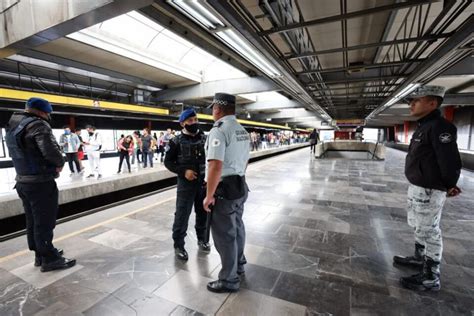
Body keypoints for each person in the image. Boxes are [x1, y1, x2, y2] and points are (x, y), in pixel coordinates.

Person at [393, 85, 462, 291]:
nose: (411, 104)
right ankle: (419, 257)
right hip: (418, 186)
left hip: (430, 189)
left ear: (433, 103)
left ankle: (431, 275)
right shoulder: (424, 126)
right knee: (417, 224)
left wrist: (450, 184)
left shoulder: (441, 127)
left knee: (429, 229)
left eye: (417, 100)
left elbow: (449, 160)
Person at [5, 97, 76, 272]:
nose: (48, 116)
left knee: (32, 220)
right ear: (41, 111)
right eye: (47, 113)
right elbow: (51, 151)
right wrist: (60, 163)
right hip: (40, 183)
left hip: (23, 182)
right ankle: (49, 259)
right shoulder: (38, 125)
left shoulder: (14, 124)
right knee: (44, 221)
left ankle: (40, 253)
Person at [203, 92, 250, 293]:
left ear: (217, 109)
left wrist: (209, 195)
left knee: (225, 235)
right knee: (238, 227)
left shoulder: (219, 131)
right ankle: (239, 264)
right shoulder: (242, 130)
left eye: (213, 108)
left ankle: (229, 279)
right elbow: (245, 160)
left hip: (224, 191)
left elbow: (215, 165)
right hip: (240, 186)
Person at [164, 108, 209, 260]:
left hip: (203, 183)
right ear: (182, 123)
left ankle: (202, 239)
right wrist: (183, 171)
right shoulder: (175, 141)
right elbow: (168, 162)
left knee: (203, 213)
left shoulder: (204, 138)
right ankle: (178, 245)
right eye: (190, 121)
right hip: (185, 185)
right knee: (182, 215)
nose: (194, 123)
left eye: (195, 120)